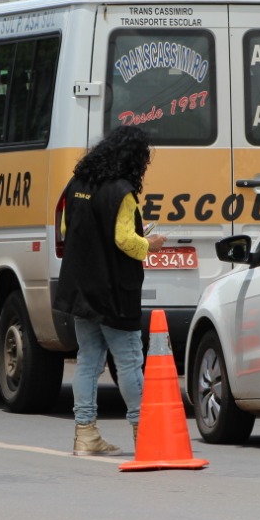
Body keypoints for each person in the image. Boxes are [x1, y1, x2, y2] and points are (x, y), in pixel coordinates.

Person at [54, 126, 166, 455]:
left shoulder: (78, 184)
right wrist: (151, 243)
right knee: (130, 361)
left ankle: (85, 434)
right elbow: (125, 241)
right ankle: (143, 432)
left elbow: (66, 227)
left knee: (88, 360)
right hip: (115, 290)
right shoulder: (122, 192)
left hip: (80, 289)